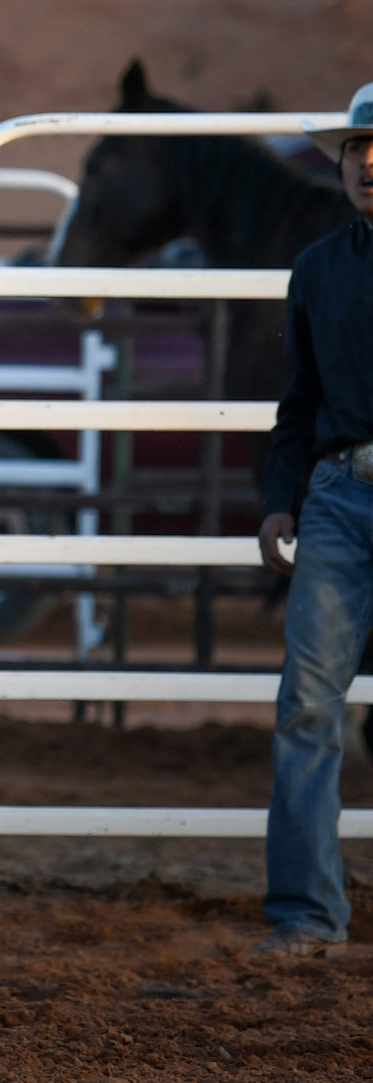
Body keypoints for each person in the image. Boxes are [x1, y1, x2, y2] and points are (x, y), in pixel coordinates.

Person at [254, 80, 373, 958]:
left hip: (340, 498)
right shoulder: (319, 269)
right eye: (357, 149)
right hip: (337, 494)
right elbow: (297, 403)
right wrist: (278, 499)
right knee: (307, 702)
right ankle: (304, 915)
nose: (368, 162)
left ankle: (308, 913)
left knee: (311, 707)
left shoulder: (324, 267)